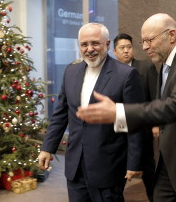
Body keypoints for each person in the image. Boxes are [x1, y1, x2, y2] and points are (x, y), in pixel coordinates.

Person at [76, 13, 176, 202]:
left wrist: (119, 112)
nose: (144, 47)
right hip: (169, 161)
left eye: (149, 40)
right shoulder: (165, 64)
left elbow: (175, 106)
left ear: (171, 35)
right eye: (143, 41)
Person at [38, 23, 145, 202]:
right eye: (84, 44)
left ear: (107, 44)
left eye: (95, 43)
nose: (89, 49)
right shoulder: (71, 71)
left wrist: (134, 163)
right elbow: (61, 113)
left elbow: (134, 121)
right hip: (75, 165)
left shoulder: (126, 75)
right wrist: (47, 147)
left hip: (108, 166)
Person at [113, 33, 158, 201]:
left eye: (129, 47)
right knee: (119, 173)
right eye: (122, 48)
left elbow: (155, 97)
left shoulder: (146, 68)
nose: (126, 51)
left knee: (148, 171)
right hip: (119, 129)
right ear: (114, 51)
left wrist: (155, 124)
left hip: (142, 127)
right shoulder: (111, 71)